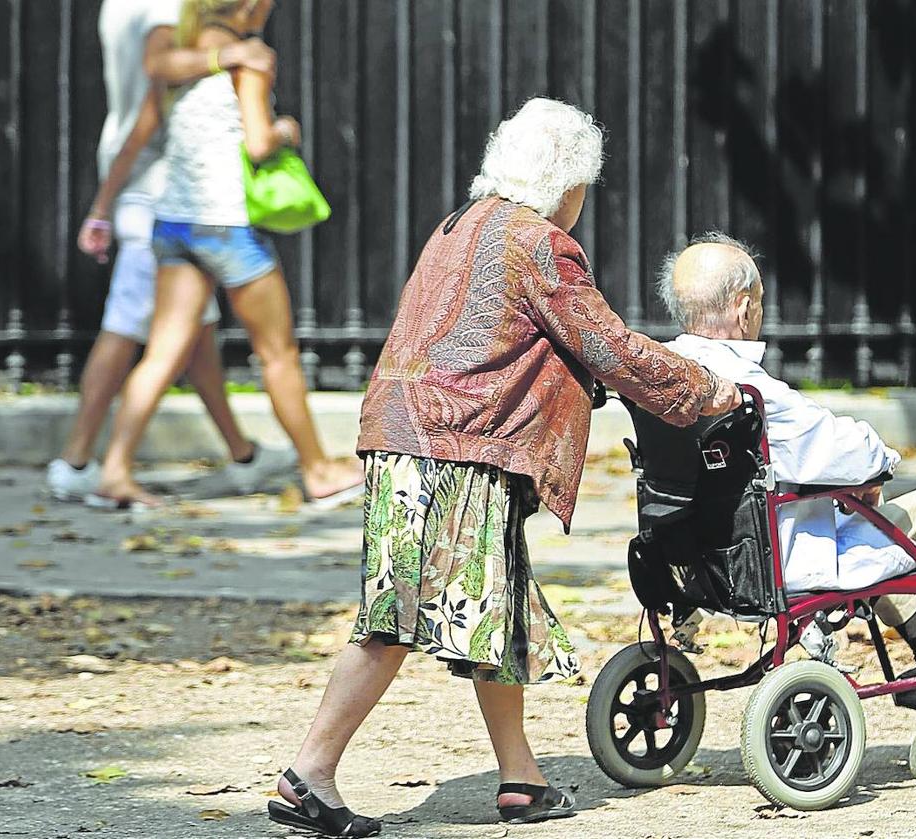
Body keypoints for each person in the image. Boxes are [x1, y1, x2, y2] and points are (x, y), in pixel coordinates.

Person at [268, 98, 743, 838]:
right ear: (567, 182)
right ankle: (310, 772)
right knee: (395, 615)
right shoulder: (540, 242)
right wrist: (704, 387)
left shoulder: (461, 224)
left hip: (411, 435)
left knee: (499, 606)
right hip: (452, 445)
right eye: (585, 183)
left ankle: (520, 776)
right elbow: (609, 347)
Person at [657, 232, 916, 710]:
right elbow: (854, 451)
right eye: (760, 303)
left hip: (705, 556)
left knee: (873, 527)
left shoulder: (666, 373)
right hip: (780, 556)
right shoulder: (754, 392)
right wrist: (878, 468)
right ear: (743, 309)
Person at [79, 0, 362, 509]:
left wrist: (101, 206)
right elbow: (256, 144)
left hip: (175, 223)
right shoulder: (248, 58)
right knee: (278, 354)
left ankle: (114, 470)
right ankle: (318, 470)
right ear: (249, 6)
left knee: (162, 353)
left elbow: (140, 131)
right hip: (228, 226)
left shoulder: (179, 55)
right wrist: (285, 131)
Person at [49, 0, 295, 503]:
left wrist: (101, 204)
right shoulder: (172, 14)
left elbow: (143, 105)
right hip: (167, 193)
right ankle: (79, 463)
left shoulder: (123, 8)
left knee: (188, 339)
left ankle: (242, 454)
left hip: (156, 194)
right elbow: (158, 68)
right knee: (134, 334)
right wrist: (233, 55)